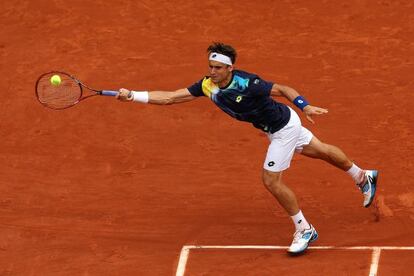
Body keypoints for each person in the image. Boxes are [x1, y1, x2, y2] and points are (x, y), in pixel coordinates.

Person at [116, 42, 378, 255]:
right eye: (211, 66)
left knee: (271, 180)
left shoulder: (247, 82)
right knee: (319, 150)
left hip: (283, 127)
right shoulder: (207, 85)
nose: (213, 72)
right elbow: (171, 97)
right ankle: (361, 175)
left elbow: (283, 88)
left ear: (230, 68)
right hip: (275, 127)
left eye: (218, 67)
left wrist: (305, 105)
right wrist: (133, 95)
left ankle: (304, 229)